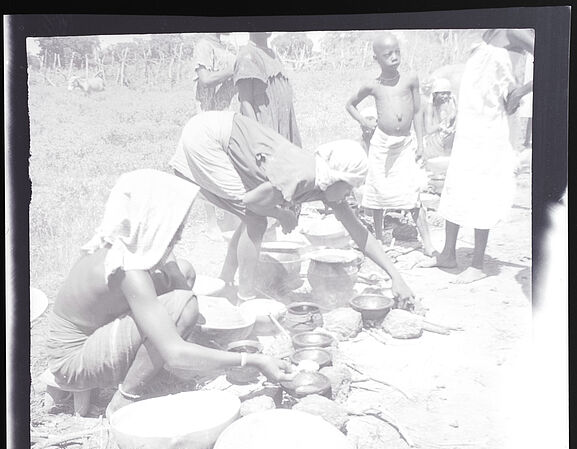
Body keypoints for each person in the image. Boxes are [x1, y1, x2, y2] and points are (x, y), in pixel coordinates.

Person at [45, 169, 295, 418]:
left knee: (182, 271)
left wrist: (171, 259)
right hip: (71, 361)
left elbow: (177, 273)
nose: (181, 231)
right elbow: (175, 352)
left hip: (90, 335)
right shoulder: (128, 270)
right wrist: (253, 361)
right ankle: (124, 400)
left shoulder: (122, 240)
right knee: (182, 306)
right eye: (175, 225)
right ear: (154, 220)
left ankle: (163, 355)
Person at [169, 110, 415, 307]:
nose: (349, 195)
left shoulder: (325, 181)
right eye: (349, 187)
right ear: (337, 178)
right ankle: (245, 299)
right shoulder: (302, 177)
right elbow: (250, 201)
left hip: (222, 129)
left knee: (253, 219)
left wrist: (397, 277)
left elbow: (360, 233)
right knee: (256, 219)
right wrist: (281, 214)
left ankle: (225, 283)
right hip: (208, 137)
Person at [419, 29, 534, 283]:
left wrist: (520, 92)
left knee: (482, 189)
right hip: (469, 127)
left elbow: (554, 59)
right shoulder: (487, 33)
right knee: (457, 186)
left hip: (490, 127)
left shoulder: (515, 31)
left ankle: (478, 264)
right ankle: (448, 254)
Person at [345, 32, 435, 256]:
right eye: (387, 55)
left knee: (412, 193)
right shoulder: (373, 85)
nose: (394, 57)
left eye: (397, 52)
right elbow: (350, 104)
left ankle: (428, 244)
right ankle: (379, 240)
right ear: (376, 58)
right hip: (381, 145)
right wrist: (363, 121)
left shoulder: (410, 79)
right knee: (377, 193)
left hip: (404, 144)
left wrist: (421, 144)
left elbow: (416, 112)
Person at [193, 32, 239, 241]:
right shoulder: (204, 44)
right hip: (209, 118)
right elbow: (205, 79)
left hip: (227, 116)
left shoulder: (225, 47)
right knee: (208, 171)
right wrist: (232, 69)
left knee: (230, 168)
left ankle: (229, 220)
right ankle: (212, 225)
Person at [234, 32, 301, 146]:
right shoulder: (247, 55)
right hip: (266, 130)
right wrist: (260, 140)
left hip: (284, 127)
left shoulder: (273, 55)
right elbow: (246, 103)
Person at [422, 78, 458, 160]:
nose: (445, 96)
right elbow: (429, 130)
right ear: (435, 94)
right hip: (432, 142)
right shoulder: (429, 106)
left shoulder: (447, 103)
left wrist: (455, 109)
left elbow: (451, 121)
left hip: (444, 138)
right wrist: (441, 126)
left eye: (447, 93)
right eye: (442, 94)